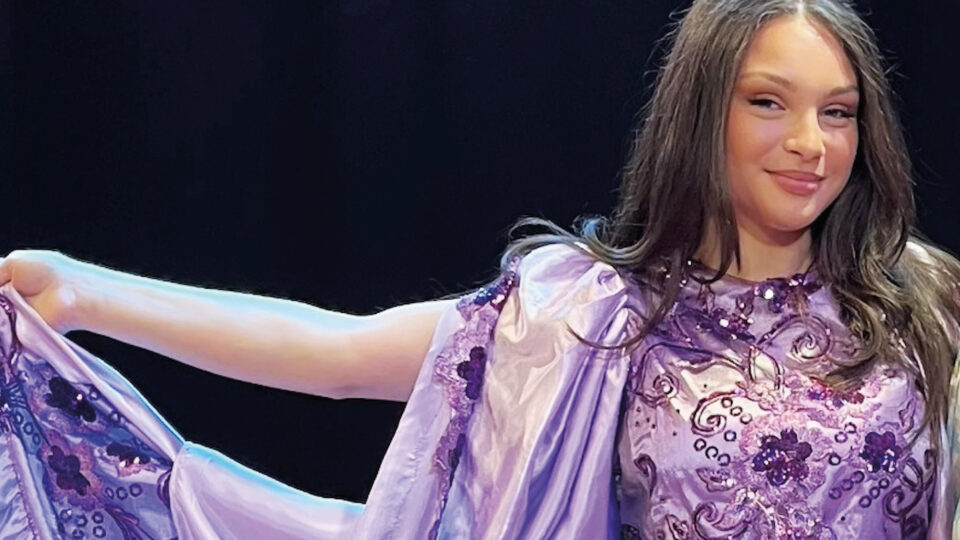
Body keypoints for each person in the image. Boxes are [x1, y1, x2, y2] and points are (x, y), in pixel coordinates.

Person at [1, 0, 958, 538]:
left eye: (838, 111)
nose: (811, 143)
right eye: (769, 103)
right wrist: (86, 294)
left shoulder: (929, 304)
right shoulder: (591, 314)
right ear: (702, 112)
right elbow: (340, 353)